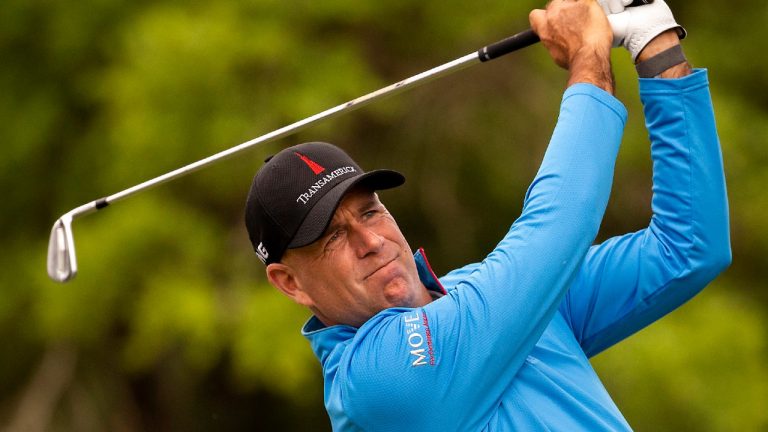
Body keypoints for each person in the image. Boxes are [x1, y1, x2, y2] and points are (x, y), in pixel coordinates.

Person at [243, 0, 731, 429]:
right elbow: (556, 232)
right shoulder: (374, 382)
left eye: (369, 212)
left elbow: (687, 247)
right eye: (331, 238)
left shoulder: (493, 295)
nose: (369, 241)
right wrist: (588, 58)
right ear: (290, 282)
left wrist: (655, 44)